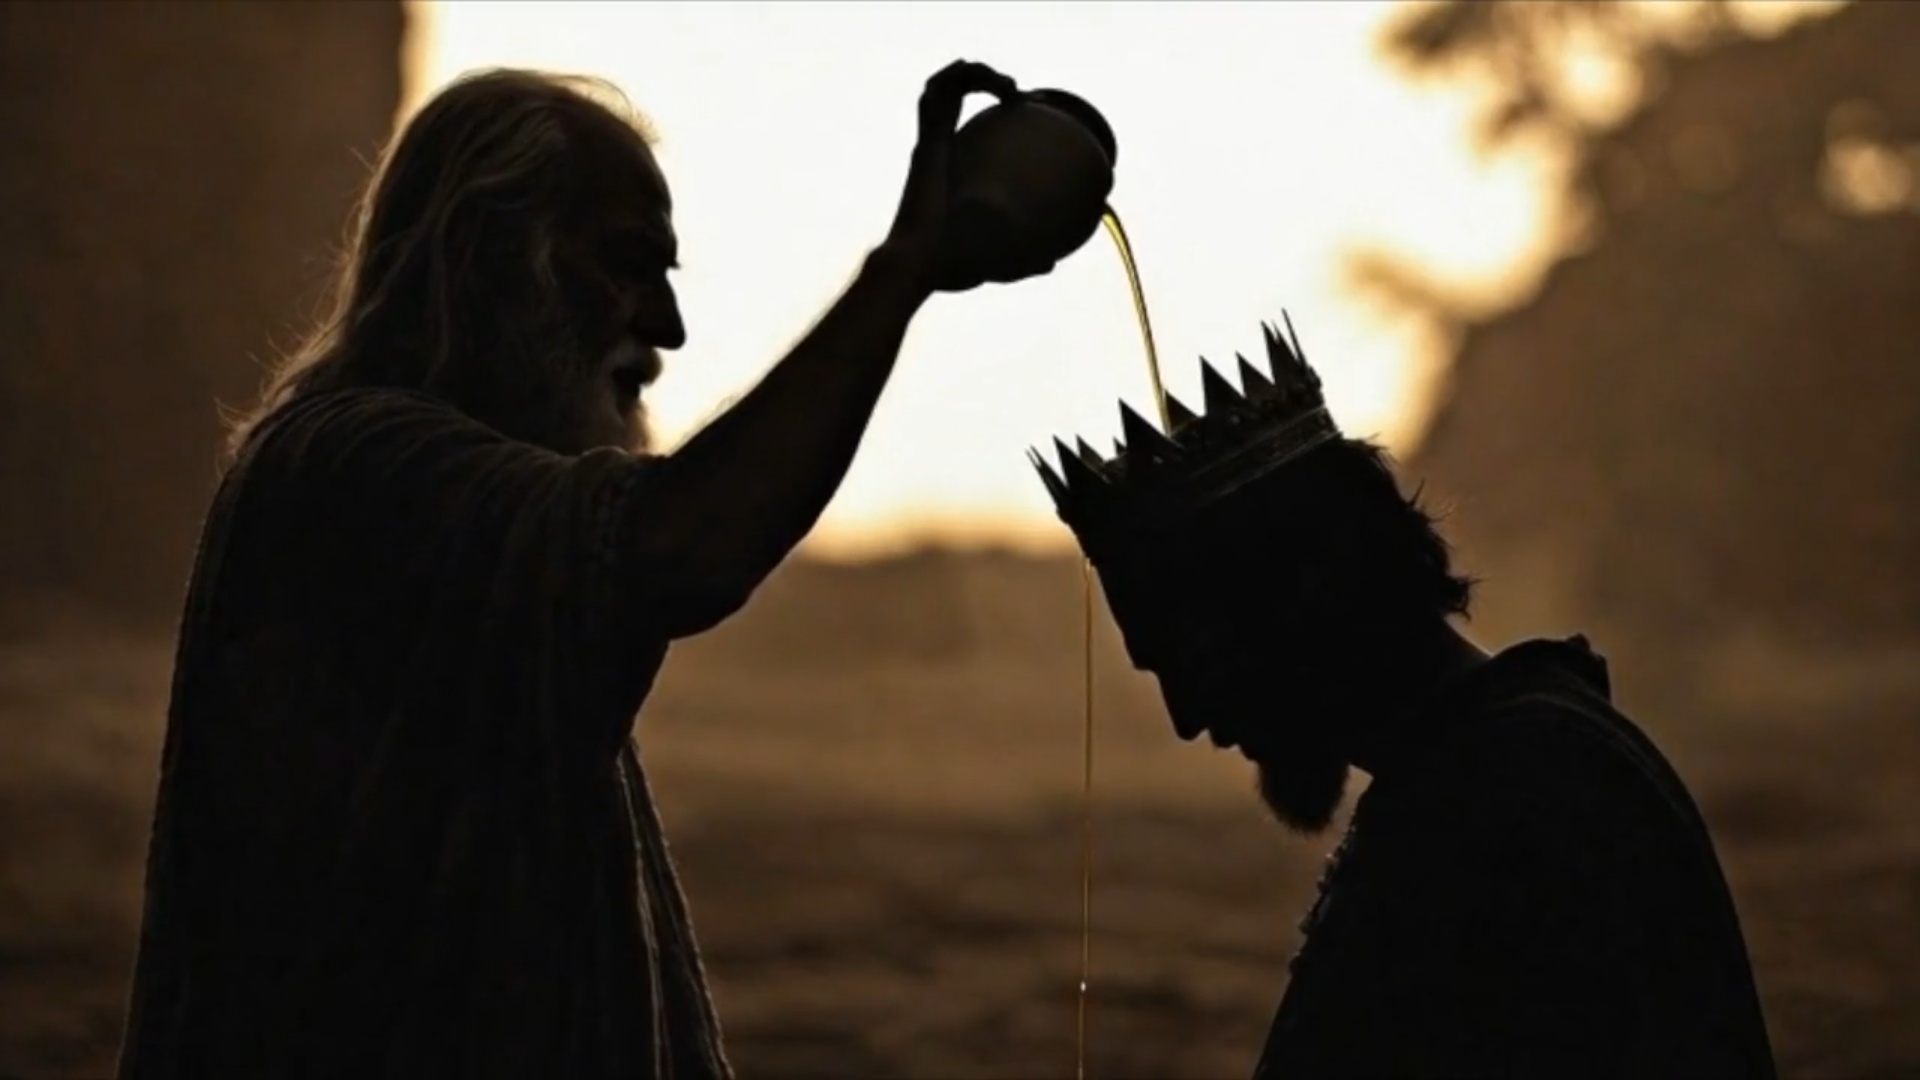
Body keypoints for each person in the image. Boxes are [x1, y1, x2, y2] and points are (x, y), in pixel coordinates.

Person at [117, 60, 1050, 1080]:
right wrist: (901, 273)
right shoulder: (353, 465)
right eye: (626, 264)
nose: (667, 329)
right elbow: (681, 548)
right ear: (483, 256)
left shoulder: (457, 508)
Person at [1032, 320, 1777, 1078]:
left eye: (1192, 661)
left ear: (1305, 594)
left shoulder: (1516, 788)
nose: (1188, 719)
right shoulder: (1491, 764)